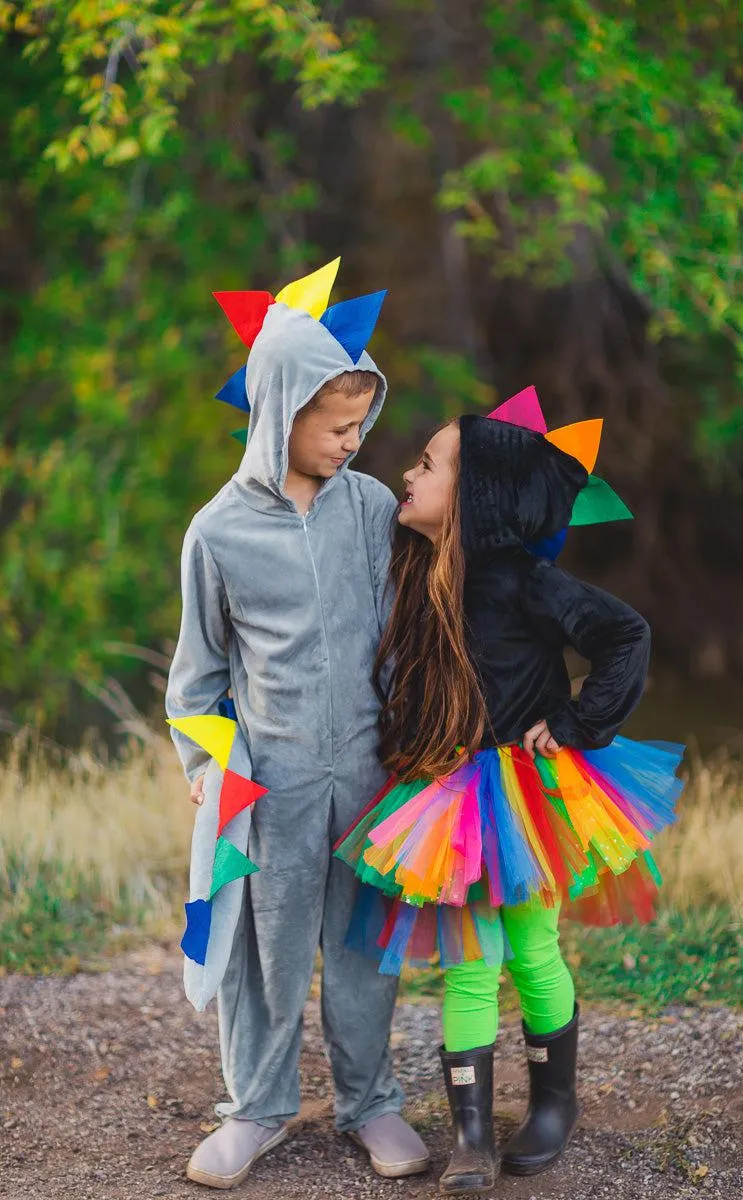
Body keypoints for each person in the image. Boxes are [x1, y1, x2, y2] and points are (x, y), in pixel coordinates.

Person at [335, 403, 683, 1195]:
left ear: (477, 496)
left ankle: (553, 1106)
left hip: (525, 799)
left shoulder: (524, 579)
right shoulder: (414, 568)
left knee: (530, 950)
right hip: (450, 800)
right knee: (467, 965)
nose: (408, 474)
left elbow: (625, 635)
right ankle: (470, 1136)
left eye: (427, 464)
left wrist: (575, 720)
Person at [166, 262, 429, 1189]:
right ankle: (259, 1110)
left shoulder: (369, 510)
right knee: (263, 952)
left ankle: (372, 1102)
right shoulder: (217, 533)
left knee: (363, 946)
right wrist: (207, 762)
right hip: (267, 788)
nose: (356, 443)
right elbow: (196, 675)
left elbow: (400, 642)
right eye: (337, 428)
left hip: (366, 772)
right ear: (279, 414)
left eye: (363, 424)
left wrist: (416, 744)